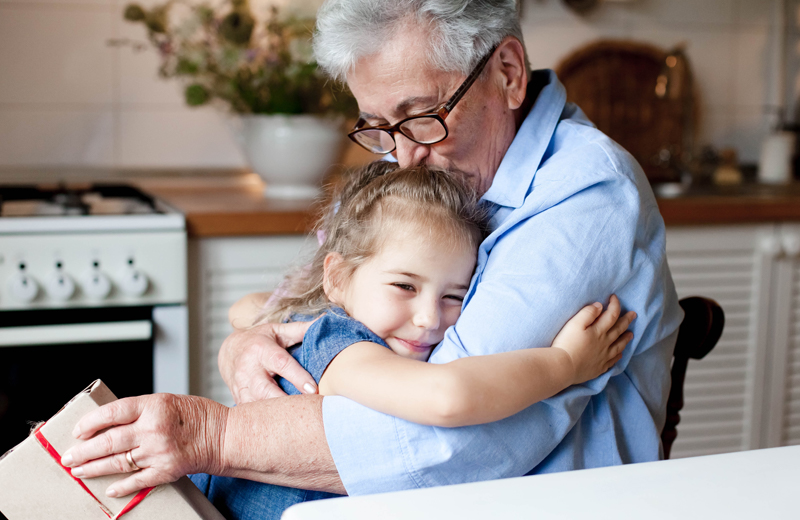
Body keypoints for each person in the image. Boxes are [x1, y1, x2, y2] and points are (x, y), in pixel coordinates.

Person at [60, 0, 682, 508]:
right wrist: (249, 339)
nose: (400, 155)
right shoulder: (413, 160)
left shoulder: (589, 193)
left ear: (508, 73)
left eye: (421, 115)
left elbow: (444, 441)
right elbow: (307, 300)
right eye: (377, 124)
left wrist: (213, 435)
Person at [189, 161, 634, 518]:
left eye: (454, 296)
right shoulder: (341, 343)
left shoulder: (378, 333)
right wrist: (566, 364)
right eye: (405, 286)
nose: (427, 318)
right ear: (338, 278)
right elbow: (447, 397)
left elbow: (252, 306)